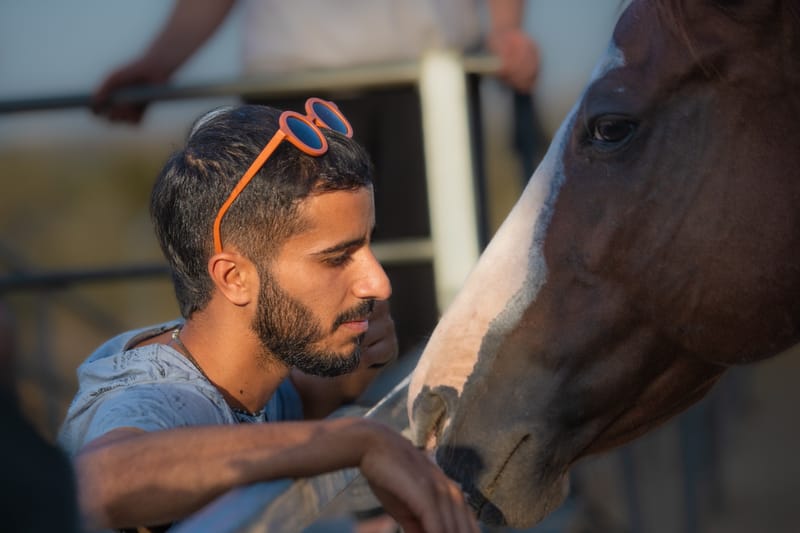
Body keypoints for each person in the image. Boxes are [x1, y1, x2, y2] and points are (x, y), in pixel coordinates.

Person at [58, 99, 478, 533]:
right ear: (234, 277)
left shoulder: (247, 375)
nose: (379, 283)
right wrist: (358, 441)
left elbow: (308, 398)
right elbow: (99, 481)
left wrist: (357, 355)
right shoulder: (161, 398)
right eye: (337, 258)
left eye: (368, 245)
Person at [91, 0, 540, 356]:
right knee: (291, 318)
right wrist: (160, 61)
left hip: (432, 83)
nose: (376, 283)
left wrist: (505, 28)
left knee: (429, 312)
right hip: (289, 88)